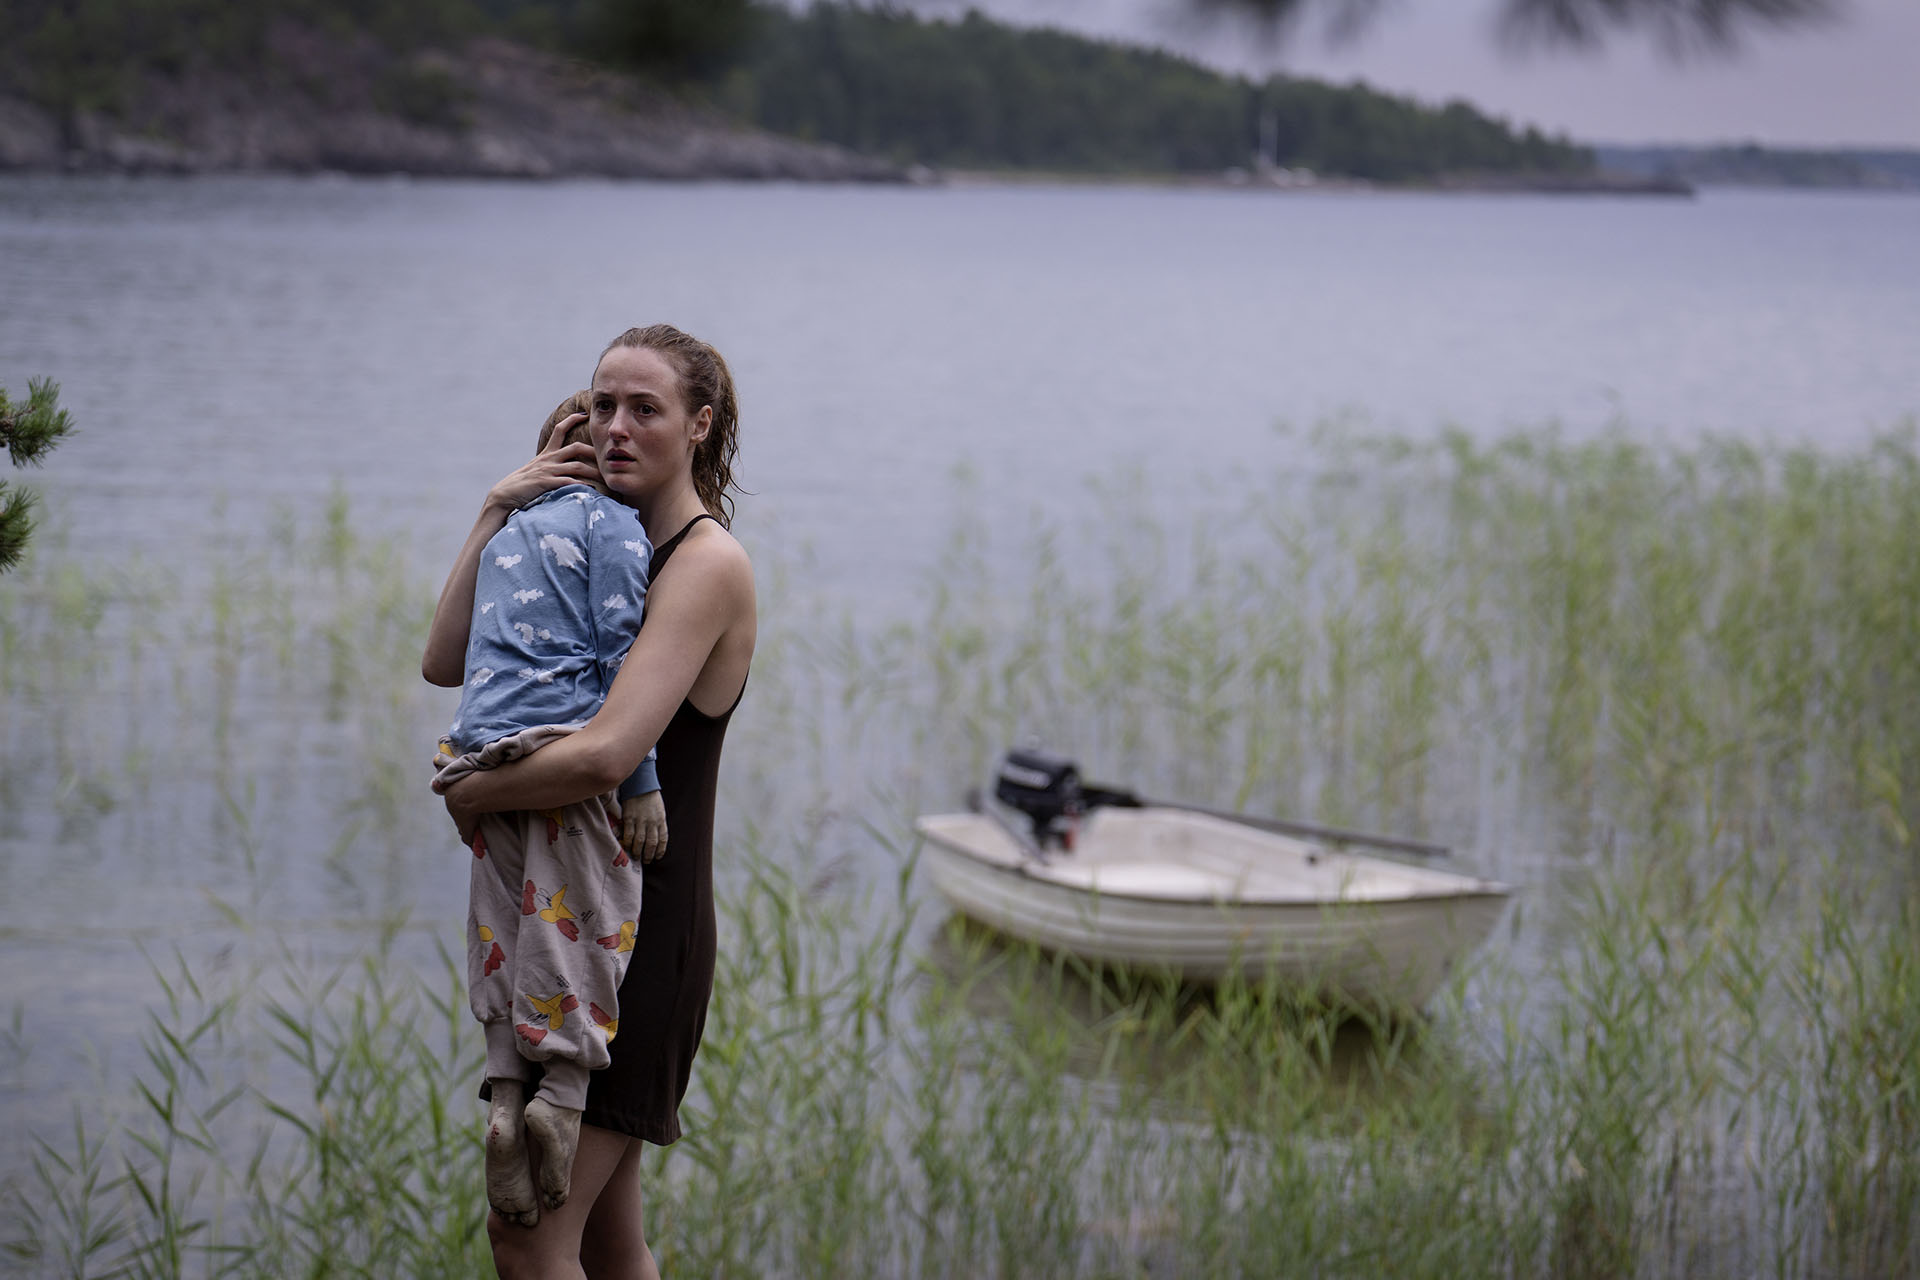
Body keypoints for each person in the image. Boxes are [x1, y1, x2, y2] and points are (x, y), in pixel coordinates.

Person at [424, 324, 755, 1280]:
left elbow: (609, 754)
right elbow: (445, 660)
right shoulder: (574, 540)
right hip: (562, 918)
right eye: (602, 404)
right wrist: (497, 508)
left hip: (636, 940)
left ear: (698, 426)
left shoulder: (702, 564)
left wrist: (473, 789)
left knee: (527, 1242)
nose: (615, 426)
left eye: (643, 409)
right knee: (610, 1243)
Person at [427, 391, 669, 1228]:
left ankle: (502, 1090)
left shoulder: (510, 536)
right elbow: (617, 658)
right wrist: (642, 784)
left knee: (502, 920)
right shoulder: (618, 529)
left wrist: (498, 503)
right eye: (606, 421)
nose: (618, 435)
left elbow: (444, 664)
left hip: (478, 745)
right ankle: (559, 1096)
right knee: (583, 920)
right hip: (560, 751)